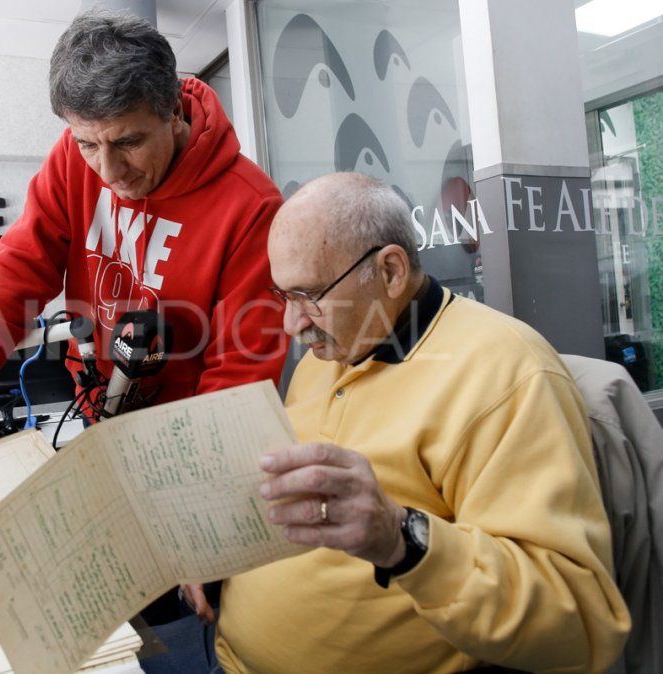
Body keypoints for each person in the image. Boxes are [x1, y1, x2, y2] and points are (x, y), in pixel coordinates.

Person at [157, 173, 630, 674]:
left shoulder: (504, 373)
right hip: (224, 649)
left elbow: (577, 626)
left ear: (390, 271)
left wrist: (402, 538)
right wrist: (217, 553)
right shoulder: (329, 353)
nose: (292, 325)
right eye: (282, 295)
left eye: (308, 295)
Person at [0, 9, 286, 478]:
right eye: (88, 144)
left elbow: (240, 370)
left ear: (173, 111)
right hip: (96, 406)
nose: (108, 171)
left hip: (189, 434)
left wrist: (196, 467)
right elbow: (18, 272)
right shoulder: (71, 157)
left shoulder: (252, 206)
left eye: (129, 142)